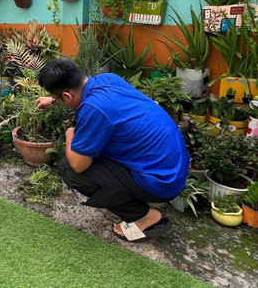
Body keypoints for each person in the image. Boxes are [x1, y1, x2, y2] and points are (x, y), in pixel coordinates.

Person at [35, 58, 188, 242]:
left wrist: (70, 134)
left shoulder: (94, 109)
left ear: (67, 96)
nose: (58, 101)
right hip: (174, 167)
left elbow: (79, 166)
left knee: (69, 168)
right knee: (93, 150)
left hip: (162, 183)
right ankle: (137, 196)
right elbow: (95, 103)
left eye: (59, 98)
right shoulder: (108, 79)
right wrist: (54, 100)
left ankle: (144, 216)